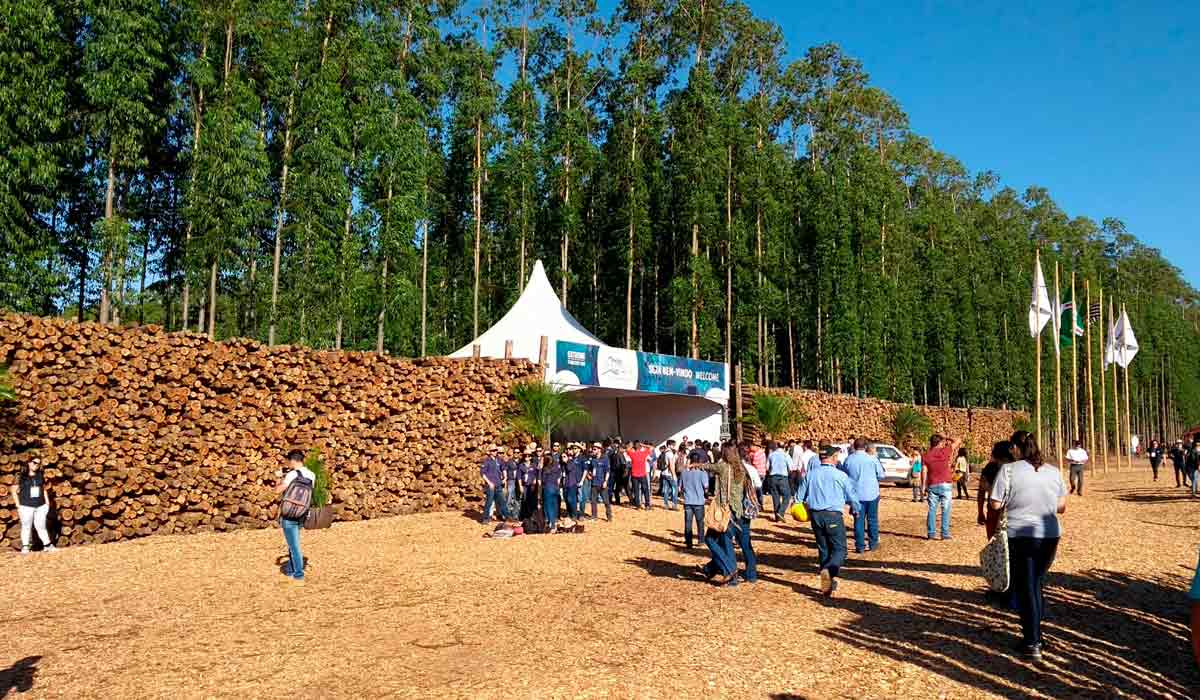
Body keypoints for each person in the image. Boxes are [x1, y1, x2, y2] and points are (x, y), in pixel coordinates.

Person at [990, 431, 1066, 661]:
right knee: (1036, 583)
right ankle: (1037, 634)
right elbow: (1061, 506)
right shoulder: (1053, 471)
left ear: (1015, 448)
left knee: (1026, 587)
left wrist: (1010, 501)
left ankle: (1032, 641)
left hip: (1021, 534)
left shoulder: (1008, 470)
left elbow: (994, 504)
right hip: (1050, 534)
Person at [797, 444, 861, 597]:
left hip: (815, 516)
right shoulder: (840, 476)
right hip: (833, 515)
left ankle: (827, 587)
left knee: (823, 549)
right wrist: (856, 510)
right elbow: (852, 497)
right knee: (840, 550)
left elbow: (798, 498)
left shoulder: (811, 475)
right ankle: (830, 571)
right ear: (833, 458)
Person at [275, 450, 315, 582]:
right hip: (301, 513)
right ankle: (292, 568)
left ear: (292, 460)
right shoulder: (311, 475)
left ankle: (298, 574)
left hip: (289, 514)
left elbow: (278, 490)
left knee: (294, 546)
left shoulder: (292, 474)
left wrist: (278, 477)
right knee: (293, 542)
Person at [840, 438, 885, 553]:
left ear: (854, 446)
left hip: (856, 496)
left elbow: (845, 476)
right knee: (872, 519)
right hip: (872, 493)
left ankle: (860, 546)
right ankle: (873, 543)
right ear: (865, 447)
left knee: (858, 521)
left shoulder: (849, 460)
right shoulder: (872, 459)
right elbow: (881, 475)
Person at [10, 456, 56, 554]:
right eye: (34, 462)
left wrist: (47, 503)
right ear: (29, 463)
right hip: (26, 506)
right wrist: (18, 505)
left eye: (38, 463)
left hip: (40, 506)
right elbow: (14, 491)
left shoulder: (40, 475)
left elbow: (43, 489)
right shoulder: (20, 476)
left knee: (41, 526)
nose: (36, 465)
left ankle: (47, 545)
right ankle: (26, 547)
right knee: (26, 526)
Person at [922, 434, 962, 540]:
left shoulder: (926, 455)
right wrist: (947, 437)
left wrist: (923, 486)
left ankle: (931, 533)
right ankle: (944, 533)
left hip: (932, 484)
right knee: (946, 509)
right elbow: (958, 440)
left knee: (932, 509)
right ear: (940, 443)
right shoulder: (945, 451)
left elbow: (924, 471)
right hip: (945, 484)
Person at [977, 441, 1017, 539]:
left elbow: (981, 491)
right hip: (1014, 511)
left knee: (993, 542)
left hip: (994, 510)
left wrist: (980, 511)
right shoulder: (1018, 467)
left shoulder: (990, 467)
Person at [679, 461, 709, 548]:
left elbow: (680, 487)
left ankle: (689, 542)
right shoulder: (702, 473)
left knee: (688, 523)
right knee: (700, 522)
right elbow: (706, 487)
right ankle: (701, 540)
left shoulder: (684, 473)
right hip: (699, 501)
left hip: (688, 500)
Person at [480, 444, 510, 524]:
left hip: (498, 484)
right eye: (493, 451)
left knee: (502, 501)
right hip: (490, 485)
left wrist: (505, 477)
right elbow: (483, 474)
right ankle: (485, 518)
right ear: (489, 452)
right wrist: (489, 483)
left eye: (496, 450)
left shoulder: (499, 460)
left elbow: (503, 468)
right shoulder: (486, 461)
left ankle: (507, 517)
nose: (495, 452)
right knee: (489, 502)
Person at [765, 441, 793, 521]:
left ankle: (777, 517)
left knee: (775, 496)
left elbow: (767, 467)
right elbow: (791, 468)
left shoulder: (771, 455)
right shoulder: (786, 455)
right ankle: (781, 513)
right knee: (787, 496)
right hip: (783, 478)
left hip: (772, 477)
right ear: (784, 447)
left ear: (777, 446)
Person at [587, 443, 611, 521]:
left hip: (602, 483)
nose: (593, 450)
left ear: (599, 450)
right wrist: (589, 475)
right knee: (593, 501)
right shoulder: (592, 459)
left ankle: (609, 516)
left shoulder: (605, 459)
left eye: (595, 449)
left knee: (606, 501)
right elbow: (588, 469)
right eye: (593, 449)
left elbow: (607, 471)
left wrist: (605, 481)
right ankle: (594, 516)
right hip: (594, 483)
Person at [519, 446, 542, 521]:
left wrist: (536, 480)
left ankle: (532, 516)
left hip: (532, 486)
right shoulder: (521, 465)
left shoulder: (534, 465)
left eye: (529, 456)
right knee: (525, 500)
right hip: (525, 485)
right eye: (525, 456)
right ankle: (525, 516)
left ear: (531, 457)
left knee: (532, 500)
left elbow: (537, 473)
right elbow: (519, 477)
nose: (527, 457)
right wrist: (520, 486)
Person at [542, 452, 563, 532]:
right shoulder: (556, 466)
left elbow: (543, 479)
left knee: (549, 506)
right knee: (555, 505)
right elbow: (559, 475)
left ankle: (552, 524)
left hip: (548, 488)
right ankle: (554, 521)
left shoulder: (546, 468)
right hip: (556, 488)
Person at [564, 444, 586, 519]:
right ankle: (573, 513)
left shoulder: (582, 458)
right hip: (572, 481)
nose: (573, 449)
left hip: (579, 480)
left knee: (581, 499)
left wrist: (582, 481)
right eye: (573, 448)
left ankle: (581, 514)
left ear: (579, 449)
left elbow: (585, 470)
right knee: (572, 499)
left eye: (575, 448)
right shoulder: (572, 458)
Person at [629, 440, 652, 510]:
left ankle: (638, 505)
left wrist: (632, 446)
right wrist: (643, 445)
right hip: (642, 474)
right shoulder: (644, 453)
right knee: (646, 490)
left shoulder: (632, 454)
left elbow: (627, 448)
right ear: (640, 446)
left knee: (636, 490)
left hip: (634, 475)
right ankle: (647, 505)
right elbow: (651, 448)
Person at [660, 440, 679, 510]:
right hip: (669, 474)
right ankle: (674, 505)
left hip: (664, 473)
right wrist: (674, 475)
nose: (674, 446)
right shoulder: (670, 453)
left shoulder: (664, 452)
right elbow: (671, 465)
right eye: (673, 445)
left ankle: (666, 505)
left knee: (666, 489)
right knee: (675, 489)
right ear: (669, 445)